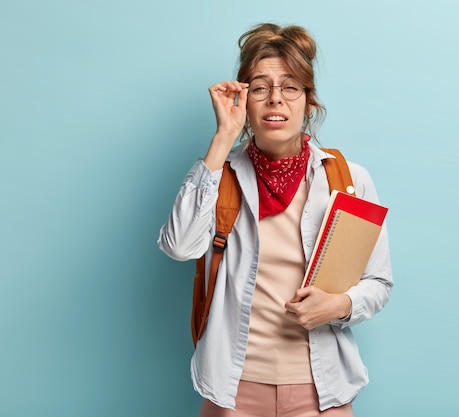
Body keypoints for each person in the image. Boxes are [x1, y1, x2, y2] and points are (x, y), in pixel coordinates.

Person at [157, 23, 393, 417]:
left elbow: (379, 282)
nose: (275, 100)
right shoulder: (220, 177)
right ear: (244, 99)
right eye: (261, 87)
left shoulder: (348, 180)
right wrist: (221, 140)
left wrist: (338, 304)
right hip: (233, 390)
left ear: (308, 100)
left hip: (322, 390)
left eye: (290, 87)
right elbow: (179, 246)